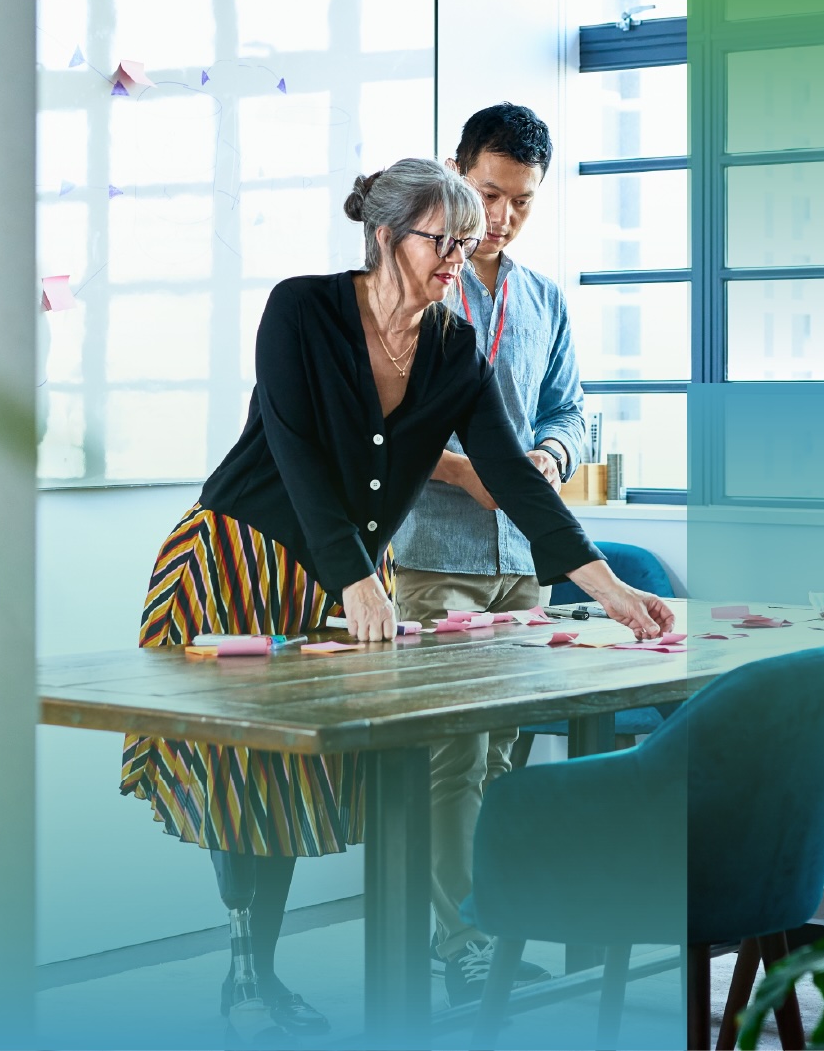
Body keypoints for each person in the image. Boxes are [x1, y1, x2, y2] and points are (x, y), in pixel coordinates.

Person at [120, 158, 675, 1039]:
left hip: (326, 574)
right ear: (384, 237)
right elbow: (298, 457)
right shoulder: (301, 310)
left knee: (290, 783)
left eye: (467, 240)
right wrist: (359, 578)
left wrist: (605, 584)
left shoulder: (454, 348)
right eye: (441, 239)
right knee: (241, 775)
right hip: (234, 558)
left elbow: (514, 481)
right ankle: (248, 969)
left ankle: (254, 979)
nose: (460, 254)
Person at [388, 103, 590, 1005]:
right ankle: (459, 938)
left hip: (522, 558)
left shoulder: (542, 298)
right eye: (488, 192)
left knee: (507, 749)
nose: (502, 216)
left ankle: (489, 923)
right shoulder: (418, 280)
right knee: (455, 754)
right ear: (452, 172)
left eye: (521, 201)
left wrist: (551, 456)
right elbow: (376, 422)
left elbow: (571, 409)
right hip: (437, 552)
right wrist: (469, 473)